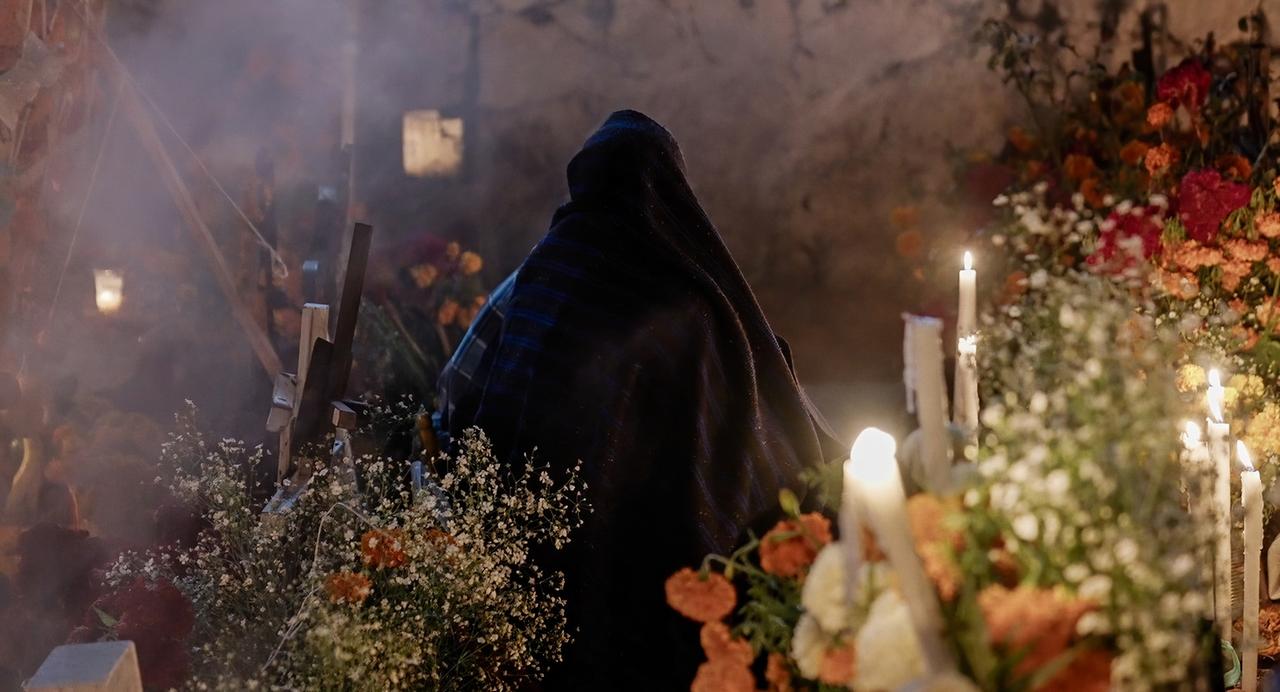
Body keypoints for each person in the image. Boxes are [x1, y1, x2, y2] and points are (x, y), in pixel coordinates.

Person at [435, 110, 842, 689]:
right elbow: (723, 426)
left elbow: (487, 397)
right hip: (645, 540)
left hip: (535, 541)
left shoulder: (548, 268)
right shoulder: (685, 299)